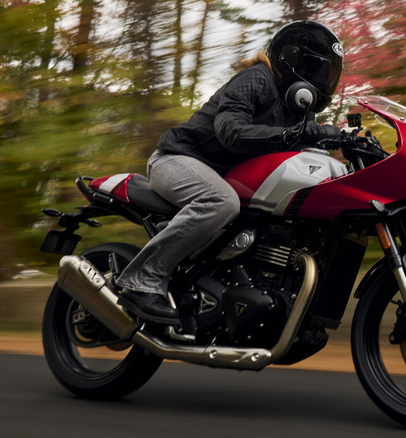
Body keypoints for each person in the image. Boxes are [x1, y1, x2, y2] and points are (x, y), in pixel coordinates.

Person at [114, 21, 345, 338]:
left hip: (219, 175)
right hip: (177, 160)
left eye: (329, 75)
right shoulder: (257, 80)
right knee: (220, 201)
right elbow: (230, 131)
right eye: (316, 70)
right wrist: (293, 135)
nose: (323, 81)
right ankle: (140, 280)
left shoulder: (297, 109)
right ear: (291, 61)